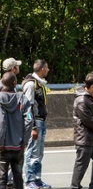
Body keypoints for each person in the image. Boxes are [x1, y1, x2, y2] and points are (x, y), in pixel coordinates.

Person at [70, 72, 93, 189]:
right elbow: (88, 120)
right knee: (82, 164)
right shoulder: (82, 100)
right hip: (85, 137)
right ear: (91, 86)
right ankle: (75, 186)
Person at [0, 72, 33, 189]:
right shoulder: (23, 99)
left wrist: (1, 142)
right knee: (18, 176)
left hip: (2, 147)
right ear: (14, 83)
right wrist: (24, 141)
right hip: (18, 146)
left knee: (1, 178)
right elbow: (29, 120)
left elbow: (1, 122)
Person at [22, 59, 51, 189]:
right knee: (32, 152)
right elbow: (28, 107)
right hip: (35, 122)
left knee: (39, 153)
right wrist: (32, 126)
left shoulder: (39, 84)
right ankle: (29, 180)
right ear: (42, 69)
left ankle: (37, 178)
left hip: (41, 121)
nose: (48, 70)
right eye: (47, 68)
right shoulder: (31, 84)